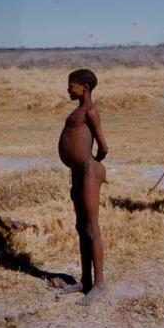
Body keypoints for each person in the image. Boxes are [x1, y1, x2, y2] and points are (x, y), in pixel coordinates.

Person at [57, 68, 108, 306]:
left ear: (84, 88)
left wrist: (91, 165)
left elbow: (104, 146)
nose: (68, 88)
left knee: (91, 227)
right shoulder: (78, 110)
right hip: (78, 171)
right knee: (80, 226)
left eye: (72, 85)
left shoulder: (90, 111)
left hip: (88, 170)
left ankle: (99, 284)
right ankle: (85, 280)